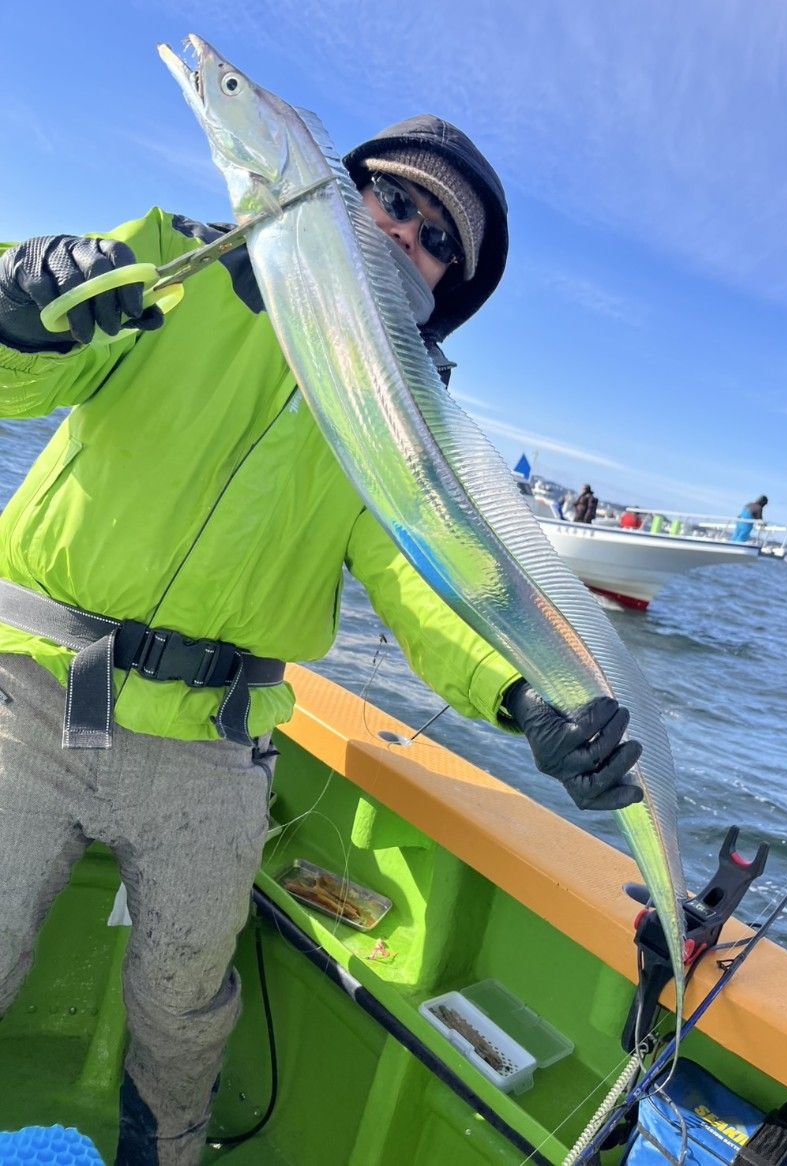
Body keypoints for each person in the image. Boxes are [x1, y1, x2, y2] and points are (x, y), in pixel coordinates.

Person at [0, 115, 642, 1164]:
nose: (407, 235)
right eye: (396, 201)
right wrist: (17, 308)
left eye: (439, 242)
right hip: (32, 689)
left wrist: (523, 694)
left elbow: (421, 577)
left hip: (211, 744)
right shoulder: (180, 259)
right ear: (342, 194)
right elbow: (18, 381)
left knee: (183, 1006)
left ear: (445, 289)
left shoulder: (402, 412)